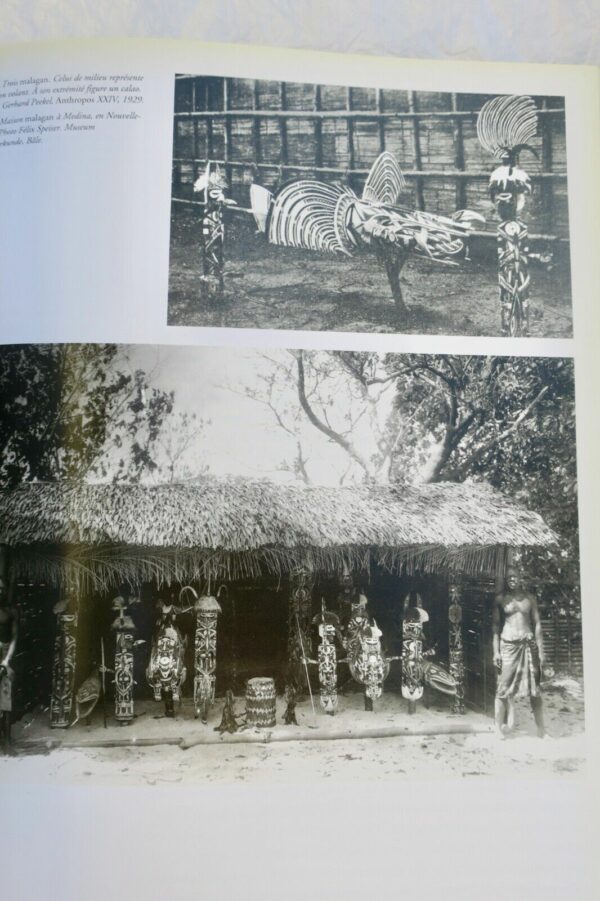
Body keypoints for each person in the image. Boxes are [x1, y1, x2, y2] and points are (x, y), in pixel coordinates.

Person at [493, 567, 545, 738]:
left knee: (535, 689)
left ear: (520, 578)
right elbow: (495, 628)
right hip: (508, 646)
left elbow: (537, 624)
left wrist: (541, 650)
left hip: (528, 646)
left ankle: (541, 730)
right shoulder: (500, 600)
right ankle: (498, 728)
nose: (512, 580)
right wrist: (496, 652)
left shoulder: (530, 599)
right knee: (502, 688)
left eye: (514, 577)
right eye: (509, 578)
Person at [0, 579, 18, 754]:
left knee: (6, 700)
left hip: (5, 656)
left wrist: (6, 661)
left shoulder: (10, 613)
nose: (0, 591)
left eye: (2, 589)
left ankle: (7, 741)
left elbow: (14, 638)